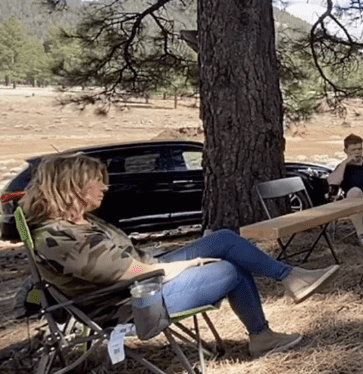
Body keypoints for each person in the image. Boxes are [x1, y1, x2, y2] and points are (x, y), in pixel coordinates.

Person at [21, 154, 340, 359]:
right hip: (135, 304)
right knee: (227, 269)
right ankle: (262, 336)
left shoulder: (82, 222)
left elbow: (133, 260)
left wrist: (172, 260)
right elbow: (127, 272)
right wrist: (188, 264)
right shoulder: (57, 236)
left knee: (224, 239)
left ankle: (290, 278)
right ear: (73, 187)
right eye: (97, 181)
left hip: (143, 282)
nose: (106, 185)